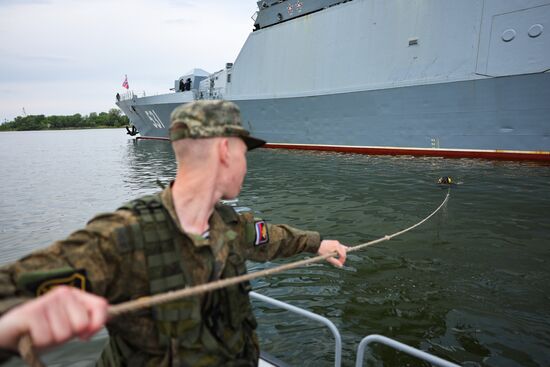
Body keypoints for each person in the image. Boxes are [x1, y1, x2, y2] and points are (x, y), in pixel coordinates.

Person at [0, 100, 347, 366]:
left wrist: (318, 243)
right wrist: (16, 321)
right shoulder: (123, 236)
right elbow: (9, 290)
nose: (246, 164)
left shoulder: (227, 225)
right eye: (244, 152)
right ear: (225, 150)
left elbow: (269, 238)